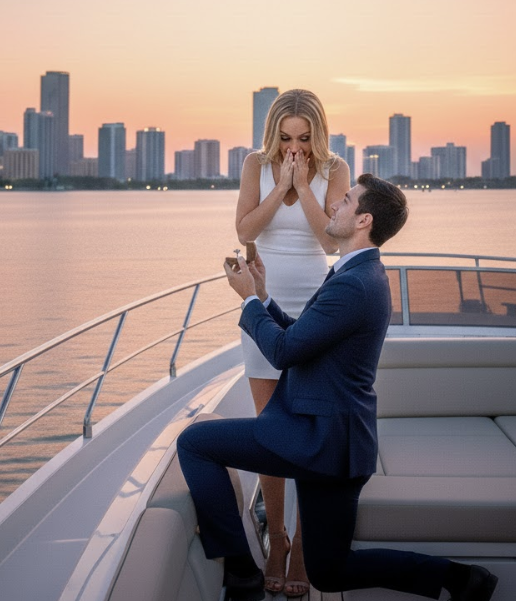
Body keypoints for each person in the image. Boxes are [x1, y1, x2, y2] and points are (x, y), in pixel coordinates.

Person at [178, 174, 499, 601]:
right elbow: (304, 338)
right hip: (338, 442)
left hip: (317, 439)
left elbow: (284, 352)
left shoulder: (353, 284)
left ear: (363, 219)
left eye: (345, 201)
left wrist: (247, 301)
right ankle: (461, 579)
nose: (334, 205)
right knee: (329, 572)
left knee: (196, 442)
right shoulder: (357, 274)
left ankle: (241, 570)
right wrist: (264, 294)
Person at [235, 89, 349, 596]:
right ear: (273, 134)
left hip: (315, 307)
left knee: (309, 427)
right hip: (264, 302)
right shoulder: (255, 164)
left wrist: (301, 186)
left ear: (317, 135)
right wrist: (277, 182)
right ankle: (276, 537)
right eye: (286, 138)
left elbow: (331, 241)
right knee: (270, 431)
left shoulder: (335, 169)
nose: (295, 147)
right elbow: (244, 230)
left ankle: (303, 543)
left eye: (304, 138)